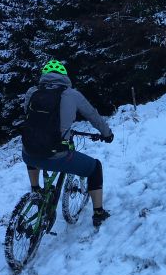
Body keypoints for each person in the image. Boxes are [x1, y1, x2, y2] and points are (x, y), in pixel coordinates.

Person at [21, 60, 114, 228]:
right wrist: (107, 134)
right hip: (57, 156)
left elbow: (29, 115)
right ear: (64, 76)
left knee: (33, 148)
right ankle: (99, 213)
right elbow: (92, 115)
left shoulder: (32, 91)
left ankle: (35, 189)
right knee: (95, 168)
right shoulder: (72, 94)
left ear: (44, 76)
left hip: (28, 154)